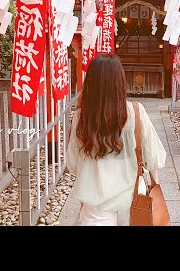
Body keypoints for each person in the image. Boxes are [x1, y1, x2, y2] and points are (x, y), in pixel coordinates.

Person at [66, 53, 166, 226]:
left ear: (90, 83)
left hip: (95, 201)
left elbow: (73, 164)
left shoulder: (81, 118)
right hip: (134, 198)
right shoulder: (136, 112)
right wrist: (155, 186)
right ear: (120, 82)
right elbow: (154, 158)